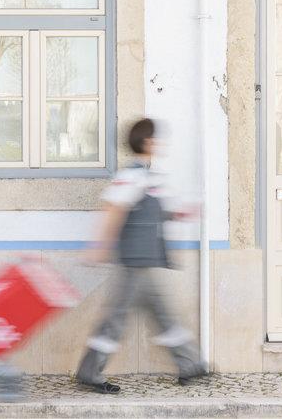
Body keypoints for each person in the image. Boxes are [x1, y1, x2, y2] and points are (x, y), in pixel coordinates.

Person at [75, 118, 208, 394]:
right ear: (148, 142)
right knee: (117, 319)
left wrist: (181, 213)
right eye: (157, 138)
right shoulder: (132, 174)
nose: (160, 144)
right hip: (134, 262)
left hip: (146, 261)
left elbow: (157, 210)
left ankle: (189, 364)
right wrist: (100, 246)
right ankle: (89, 371)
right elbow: (113, 208)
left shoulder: (150, 176)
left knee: (163, 315)